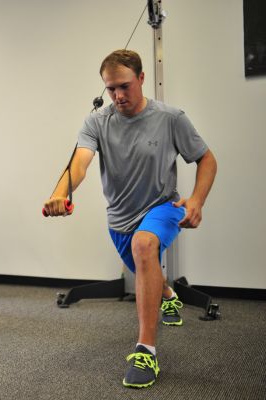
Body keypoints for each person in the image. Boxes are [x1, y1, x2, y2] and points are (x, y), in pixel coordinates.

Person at [43, 49, 217, 388]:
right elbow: (79, 163)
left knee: (143, 244)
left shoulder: (171, 118)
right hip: (119, 217)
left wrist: (197, 200)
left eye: (124, 86)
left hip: (163, 206)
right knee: (144, 265)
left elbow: (207, 159)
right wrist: (59, 193)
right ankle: (168, 294)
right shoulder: (97, 121)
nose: (118, 95)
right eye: (111, 89)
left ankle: (145, 351)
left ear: (141, 78)